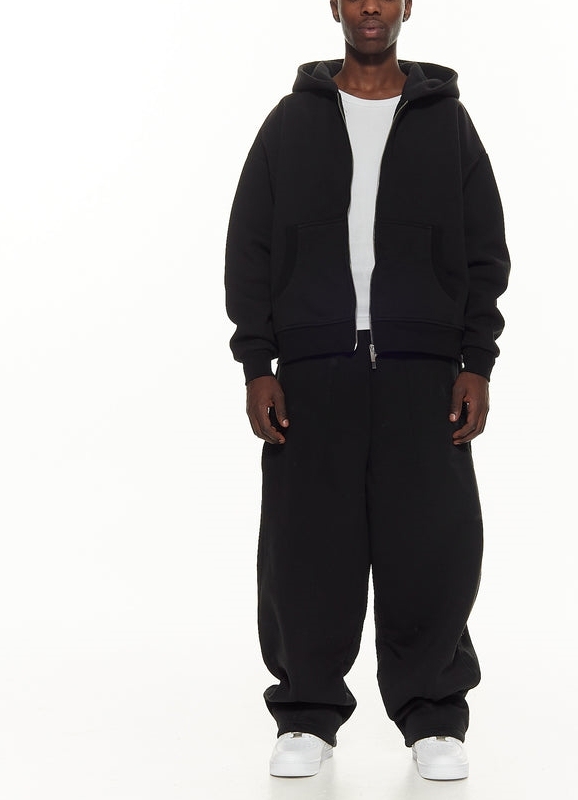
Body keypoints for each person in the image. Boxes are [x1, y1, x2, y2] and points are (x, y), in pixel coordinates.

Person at [224, 0, 510, 781]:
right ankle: (306, 713)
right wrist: (258, 364)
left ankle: (433, 715)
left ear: (408, 4)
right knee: (307, 546)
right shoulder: (290, 124)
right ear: (336, 6)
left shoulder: (449, 125)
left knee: (433, 543)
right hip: (314, 366)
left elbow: (485, 252)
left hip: (424, 367)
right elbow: (249, 246)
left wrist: (476, 361)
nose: (371, 6)